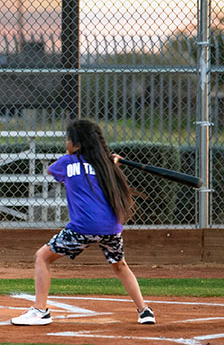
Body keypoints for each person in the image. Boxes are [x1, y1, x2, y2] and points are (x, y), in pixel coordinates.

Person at [10, 118, 156, 326]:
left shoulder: (67, 163)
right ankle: (144, 310)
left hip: (82, 228)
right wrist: (110, 160)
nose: (66, 143)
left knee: (42, 257)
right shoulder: (107, 166)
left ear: (77, 144)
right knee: (120, 266)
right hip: (111, 229)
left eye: (69, 140)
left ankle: (40, 310)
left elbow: (52, 170)